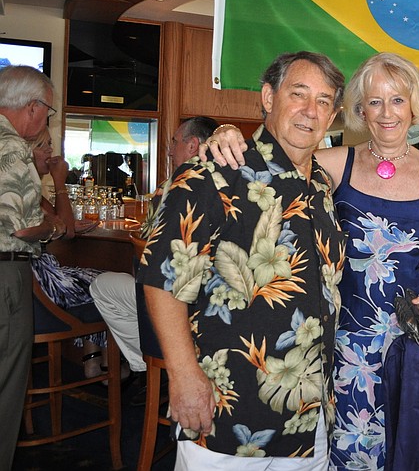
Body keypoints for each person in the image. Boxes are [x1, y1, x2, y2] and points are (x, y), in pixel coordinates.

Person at [204, 52, 419, 470]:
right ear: (359, 111)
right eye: (374, 102)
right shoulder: (333, 164)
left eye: (397, 100)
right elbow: (274, 162)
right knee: (343, 454)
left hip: (410, 345)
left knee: (409, 451)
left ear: (414, 107)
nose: (386, 113)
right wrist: (230, 131)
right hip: (342, 345)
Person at [138, 52, 347, 469]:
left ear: (334, 115)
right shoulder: (216, 171)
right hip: (227, 414)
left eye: (324, 101)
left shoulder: (322, 183)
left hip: (308, 419)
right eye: (298, 94)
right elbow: (161, 277)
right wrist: (181, 376)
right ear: (268, 97)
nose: (310, 111)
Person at [90, 116, 218, 387]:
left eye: (174, 142)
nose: (170, 150)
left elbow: (148, 244)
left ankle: (151, 364)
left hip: (180, 303)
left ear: (193, 146)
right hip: (216, 307)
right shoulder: (232, 183)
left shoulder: (173, 185)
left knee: (102, 285)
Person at [0, 65, 63, 469]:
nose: (46, 120)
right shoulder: (12, 148)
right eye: (49, 111)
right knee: (6, 387)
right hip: (6, 273)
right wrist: (53, 227)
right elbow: (22, 230)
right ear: (31, 107)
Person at [29, 129, 104, 378]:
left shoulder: (32, 191)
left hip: (35, 282)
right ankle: (108, 361)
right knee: (104, 285)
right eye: (44, 146)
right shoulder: (26, 192)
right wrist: (59, 181)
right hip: (41, 285)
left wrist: (66, 224)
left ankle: (93, 359)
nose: (51, 151)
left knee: (95, 277)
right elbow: (67, 230)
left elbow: (64, 223)